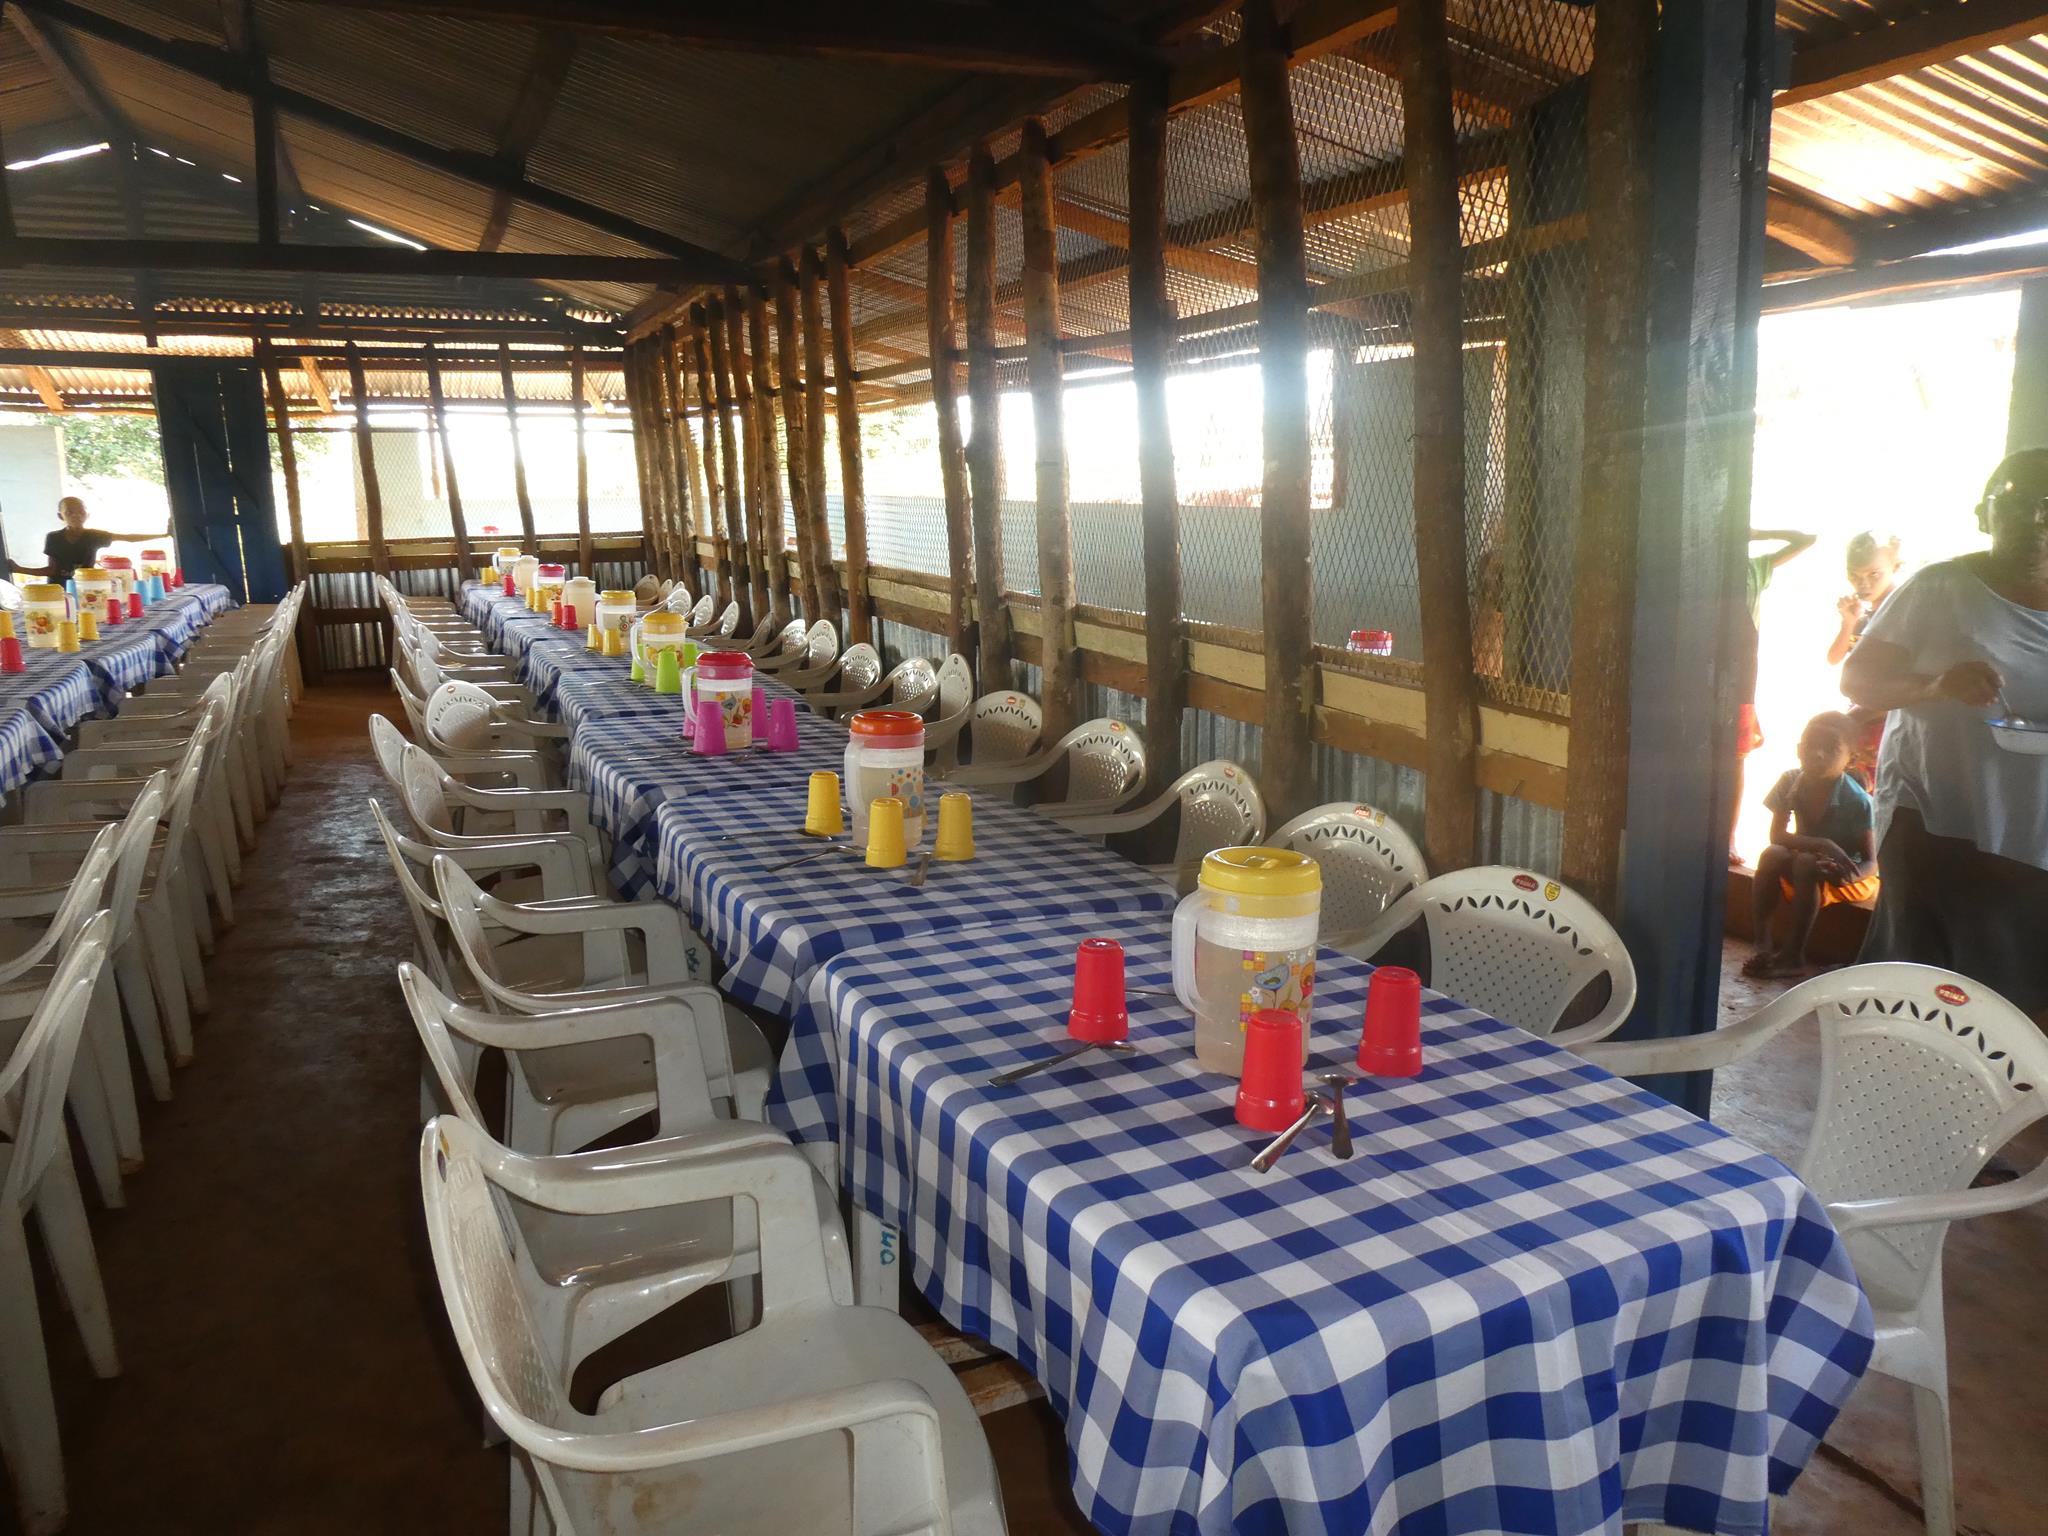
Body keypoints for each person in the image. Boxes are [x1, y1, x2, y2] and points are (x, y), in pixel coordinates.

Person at [1843, 449, 2048, 1020]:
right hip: (1938, 817)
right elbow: (1858, 680)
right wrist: (1937, 684)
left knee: (2022, 998)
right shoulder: (1940, 587)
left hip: (2036, 827)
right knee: (1925, 988)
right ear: (1984, 514)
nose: (2036, 521)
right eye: (2016, 505)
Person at [1742, 712, 1878, 979]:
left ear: (1851, 759)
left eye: (1830, 749)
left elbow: (1871, 862)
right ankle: (1762, 945)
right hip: (1808, 862)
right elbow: (1777, 836)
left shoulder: (1857, 801)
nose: (1817, 754)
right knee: (1772, 854)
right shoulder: (1790, 780)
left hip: (1848, 874)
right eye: (1810, 744)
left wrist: (1846, 875)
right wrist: (1824, 844)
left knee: (1806, 862)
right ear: (1798, 748)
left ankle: (1793, 955)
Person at [1731, 527, 1817, 861]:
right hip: (1709, 666)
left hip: (1740, 671)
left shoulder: (1754, 567)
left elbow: (1807, 539)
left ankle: (1728, 837)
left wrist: (1756, 533)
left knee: (1736, 757)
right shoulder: (1703, 566)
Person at [10, 497, 171, 586]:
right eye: (70, 512)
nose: (76, 515)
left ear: (87, 515)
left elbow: (129, 538)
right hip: (59, 591)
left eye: (81, 512)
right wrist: (19, 569)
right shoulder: (54, 538)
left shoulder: (94, 536)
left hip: (87, 589)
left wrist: (164, 535)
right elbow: (52, 570)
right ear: (61, 516)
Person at [1826, 530, 1904, 666]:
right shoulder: (1862, 616)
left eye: (1873, 574)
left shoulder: (1905, 612)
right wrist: (1848, 623)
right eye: (1853, 575)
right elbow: (1833, 659)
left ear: (1895, 567)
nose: (1863, 584)